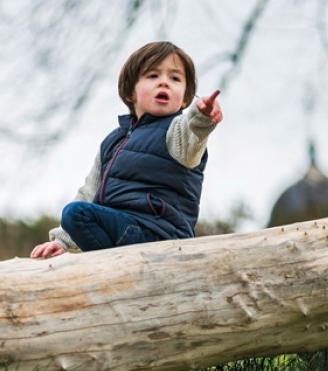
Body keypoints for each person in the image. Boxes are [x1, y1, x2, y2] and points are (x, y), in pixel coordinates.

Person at [31, 41, 223, 259]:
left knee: (75, 213)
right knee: (75, 214)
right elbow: (90, 191)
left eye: (175, 78)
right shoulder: (114, 141)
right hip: (121, 228)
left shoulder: (176, 130)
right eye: (152, 76)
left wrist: (201, 118)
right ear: (131, 91)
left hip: (160, 234)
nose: (164, 83)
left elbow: (192, 138)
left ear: (186, 98)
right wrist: (63, 241)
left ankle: (109, 266)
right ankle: (113, 268)